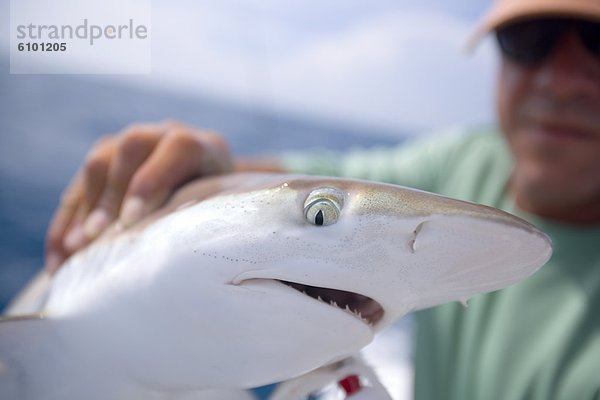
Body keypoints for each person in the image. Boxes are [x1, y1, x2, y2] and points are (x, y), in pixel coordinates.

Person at [44, 0, 600, 398]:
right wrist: (202, 168)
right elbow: (295, 186)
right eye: (530, 41)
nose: (560, 80)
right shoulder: (463, 161)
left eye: (597, 44)